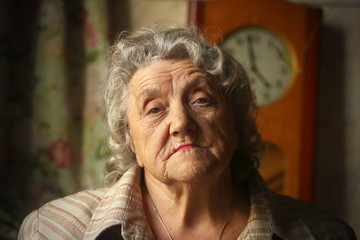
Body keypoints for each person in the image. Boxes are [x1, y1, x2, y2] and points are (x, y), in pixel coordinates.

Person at [18, 26, 356, 240]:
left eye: (201, 100)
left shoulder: (326, 234)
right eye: (154, 109)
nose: (181, 122)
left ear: (235, 125)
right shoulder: (51, 230)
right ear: (130, 140)